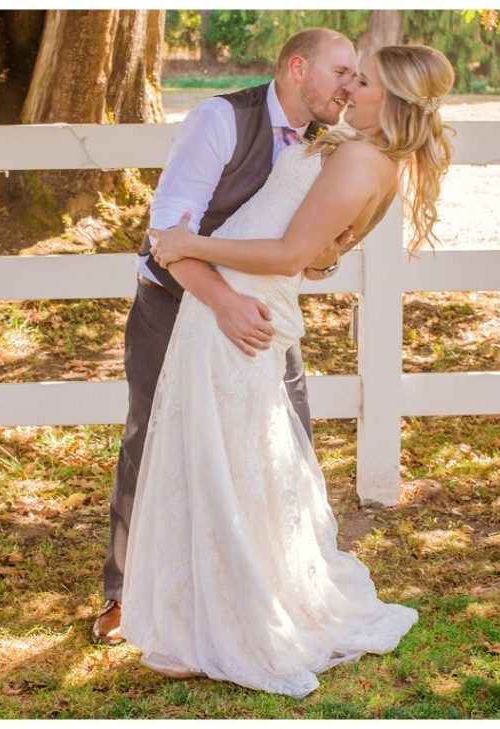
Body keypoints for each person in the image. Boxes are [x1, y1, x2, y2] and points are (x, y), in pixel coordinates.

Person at [123, 44, 456, 698]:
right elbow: (320, 248)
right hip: (230, 303)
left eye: (363, 82)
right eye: (350, 75)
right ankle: (204, 612)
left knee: (226, 461)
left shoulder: (361, 159)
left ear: (388, 101)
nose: (351, 89)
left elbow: (290, 253)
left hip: (238, 313)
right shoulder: (369, 156)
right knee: (233, 457)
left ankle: (231, 619)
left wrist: (190, 246)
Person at [93, 28, 360, 646]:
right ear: (297, 68)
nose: (352, 86)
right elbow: (167, 235)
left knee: (285, 437)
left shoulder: (331, 144)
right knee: (154, 438)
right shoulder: (220, 121)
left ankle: (275, 586)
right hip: (175, 302)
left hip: (261, 315)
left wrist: (319, 260)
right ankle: (124, 593)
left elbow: (306, 251)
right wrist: (225, 302)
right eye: (342, 72)